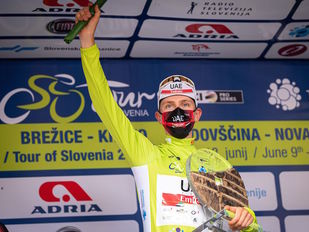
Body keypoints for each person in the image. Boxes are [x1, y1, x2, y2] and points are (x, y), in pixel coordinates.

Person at [76, 4, 261, 232]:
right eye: (169, 106)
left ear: (198, 114)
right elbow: (106, 105)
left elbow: (243, 219)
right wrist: (87, 43)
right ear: (158, 116)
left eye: (185, 104)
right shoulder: (146, 155)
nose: (178, 111)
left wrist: (247, 218)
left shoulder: (213, 167)